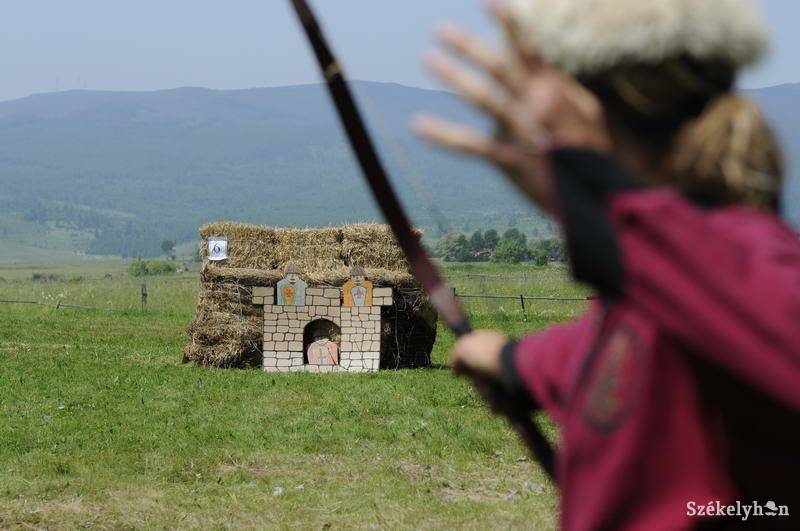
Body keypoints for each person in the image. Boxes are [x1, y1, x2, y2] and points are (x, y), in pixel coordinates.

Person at [414, 0, 800, 529]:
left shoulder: (748, 262)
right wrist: (509, 362)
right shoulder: (662, 284)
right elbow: (625, 357)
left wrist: (603, 200)